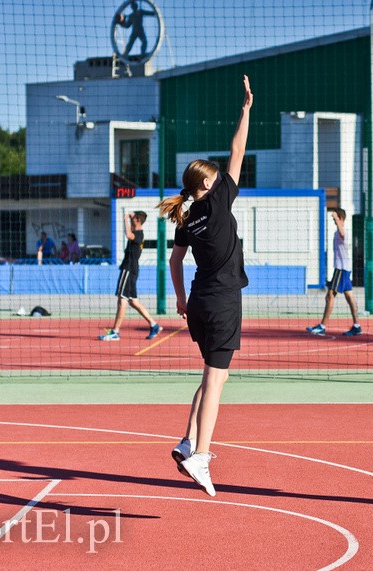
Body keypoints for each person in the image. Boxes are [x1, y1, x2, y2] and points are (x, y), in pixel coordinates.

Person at [157, 75, 253, 496]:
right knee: (216, 381)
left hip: (197, 301)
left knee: (213, 374)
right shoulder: (216, 199)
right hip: (220, 301)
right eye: (216, 178)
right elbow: (237, 150)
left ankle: (185, 440)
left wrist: (178, 297)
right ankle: (201, 455)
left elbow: (175, 259)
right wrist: (246, 109)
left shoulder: (187, 217)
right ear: (208, 185)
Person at [98, 211, 162, 341]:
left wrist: (125, 219)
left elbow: (128, 234)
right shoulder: (138, 233)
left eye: (134, 219)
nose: (132, 220)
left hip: (129, 269)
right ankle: (154, 325)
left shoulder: (138, 234)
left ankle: (115, 332)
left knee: (122, 299)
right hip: (131, 269)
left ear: (138, 220)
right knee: (133, 301)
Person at [306, 208, 362, 336]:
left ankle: (322, 326)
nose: (333, 221)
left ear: (340, 218)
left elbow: (342, 232)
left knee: (330, 296)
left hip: (341, 269)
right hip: (344, 269)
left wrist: (337, 218)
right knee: (349, 297)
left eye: (335, 219)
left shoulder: (343, 232)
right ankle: (357, 325)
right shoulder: (339, 232)